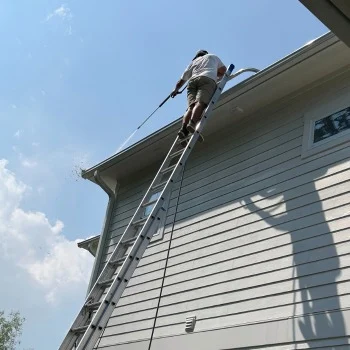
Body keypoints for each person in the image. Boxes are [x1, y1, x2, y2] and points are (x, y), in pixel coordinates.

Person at [171, 50, 227, 141]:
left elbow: (182, 80)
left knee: (191, 107)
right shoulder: (212, 56)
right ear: (205, 54)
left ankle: (183, 129)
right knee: (200, 102)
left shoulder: (193, 62)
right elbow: (224, 71)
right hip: (207, 79)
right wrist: (215, 74)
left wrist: (176, 90)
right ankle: (192, 123)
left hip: (192, 82)